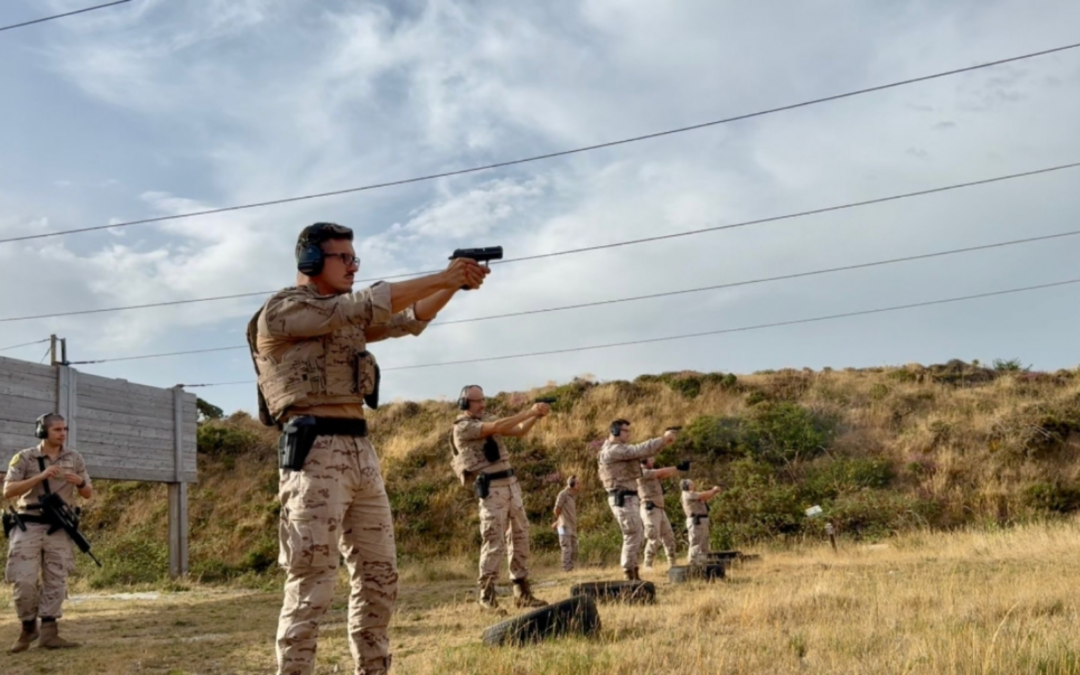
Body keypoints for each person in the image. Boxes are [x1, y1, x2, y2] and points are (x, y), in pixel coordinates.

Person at [247, 222, 488, 675]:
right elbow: (364, 304)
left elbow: (409, 319)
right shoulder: (283, 310)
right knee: (312, 578)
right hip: (315, 452)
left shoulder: (343, 312)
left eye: (355, 259)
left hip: (360, 450)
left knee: (380, 577)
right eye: (344, 258)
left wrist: (454, 283)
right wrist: (443, 274)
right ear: (310, 262)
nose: (354, 266)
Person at [450, 385, 550, 611]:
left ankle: (522, 592)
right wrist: (529, 411)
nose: (482, 404)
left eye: (483, 400)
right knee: (494, 540)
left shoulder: (486, 420)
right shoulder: (464, 427)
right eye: (477, 401)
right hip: (492, 487)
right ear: (464, 403)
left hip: (510, 485)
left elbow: (520, 430)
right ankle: (487, 596)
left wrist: (535, 415)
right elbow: (497, 426)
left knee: (520, 537)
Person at [3, 413, 92, 653]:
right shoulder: (24, 458)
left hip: (59, 527)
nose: (62, 434)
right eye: (57, 430)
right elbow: (8, 491)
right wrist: (40, 476)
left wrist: (81, 483)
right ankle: (28, 627)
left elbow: (88, 493)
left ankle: (50, 633)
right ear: (42, 432)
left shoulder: (74, 458)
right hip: (27, 523)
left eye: (65, 429)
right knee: (23, 580)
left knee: (56, 578)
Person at [597, 419, 676, 581]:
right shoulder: (612, 451)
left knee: (637, 534)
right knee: (633, 534)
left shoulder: (617, 449)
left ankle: (633, 572)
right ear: (615, 432)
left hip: (629, 497)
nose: (629, 434)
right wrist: (663, 439)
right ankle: (629, 574)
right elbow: (639, 450)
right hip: (623, 497)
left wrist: (662, 442)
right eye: (626, 431)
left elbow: (642, 453)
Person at [637, 457, 682, 570]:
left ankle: (672, 564)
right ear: (644, 461)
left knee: (669, 537)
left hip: (659, 509)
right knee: (653, 537)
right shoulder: (641, 472)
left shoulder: (652, 473)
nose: (653, 462)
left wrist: (679, 469)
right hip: (650, 508)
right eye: (651, 460)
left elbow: (665, 474)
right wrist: (677, 467)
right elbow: (661, 472)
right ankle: (647, 564)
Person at [680, 479, 722, 565]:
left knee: (703, 543)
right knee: (696, 542)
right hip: (696, 521)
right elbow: (703, 495)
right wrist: (713, 490)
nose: (693, 486)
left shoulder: (693, 494)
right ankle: (692, 563)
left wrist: (713, 492)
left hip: (702, 521)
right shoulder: (687, 494)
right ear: (687, 486)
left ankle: (702, 563)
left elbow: (706, 496)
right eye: (691, 484)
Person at [551, 475, 579, 572]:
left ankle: (571, 568)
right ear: (572, 484)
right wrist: (559, 520)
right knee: (566, 547)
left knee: (574, 548)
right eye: (577, 483)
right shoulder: (563, 494)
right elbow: (556, 509)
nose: (579, 485)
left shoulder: (572, 496)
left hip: (571, 526)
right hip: (563, 527)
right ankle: (566, 569)